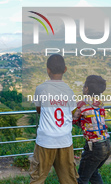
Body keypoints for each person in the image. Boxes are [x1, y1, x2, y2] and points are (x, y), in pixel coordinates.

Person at [29, 54, 78, 184]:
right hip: (65, 140)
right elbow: (72, 111)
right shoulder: (69, 91)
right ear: (65, 69)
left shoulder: (41, 89)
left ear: (48, 69)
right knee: (69, 178)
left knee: (38, 177)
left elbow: (39, 110)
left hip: (45, 139)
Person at [73, 75, 111, 184]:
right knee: (93, 173)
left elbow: (72, 120)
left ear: (86, 88)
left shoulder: (81, 104)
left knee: (82, 179)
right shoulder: (100, 104)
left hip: (94, 147)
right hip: (107, 145)